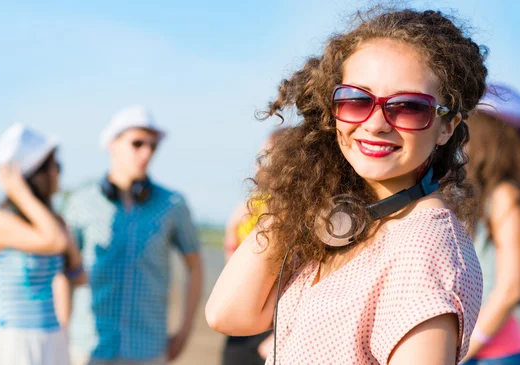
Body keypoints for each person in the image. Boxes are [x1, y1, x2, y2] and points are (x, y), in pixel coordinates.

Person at [206, 8, 486, 365]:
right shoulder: (350, 218)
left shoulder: (423, 249)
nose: (375, 123)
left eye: (409, 107)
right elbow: (229, 314)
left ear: (446, 127)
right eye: (355, 100)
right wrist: (303, 181)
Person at [63, 105, 203, 365]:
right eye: (137, 143)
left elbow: (195, 265)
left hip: (148, 349)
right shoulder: (81, 202)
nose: (147, 152)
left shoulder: (173, 204)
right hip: (87, 345)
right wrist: (61, 331)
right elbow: (63, 270)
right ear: (112, 144)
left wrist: (184, 332)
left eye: (153, 146)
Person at [0, 123, 85, 365]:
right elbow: (54, 242)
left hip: (52, 341)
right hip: (13, 344)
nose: (59, 173)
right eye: (54, 166)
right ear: (35, 174)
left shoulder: (53, 224)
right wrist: (18, 190)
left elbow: (78, 275)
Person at [461, 84, 520, 365]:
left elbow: (511, 287)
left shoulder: (505, 196)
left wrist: (468, 347)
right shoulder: (483, 196)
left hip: (495, 352)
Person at [222, 129, 286, 365]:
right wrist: (231, 235)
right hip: (241, 322)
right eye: (259, 158)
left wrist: (277, 336)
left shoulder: (302, 214)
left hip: (275, 326)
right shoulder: (247, 208)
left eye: (266, 158)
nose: (259, 165)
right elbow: (232, 273)